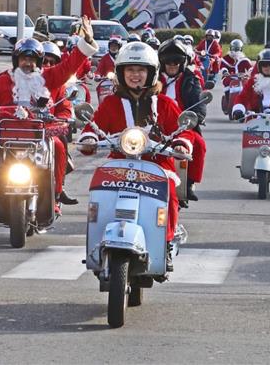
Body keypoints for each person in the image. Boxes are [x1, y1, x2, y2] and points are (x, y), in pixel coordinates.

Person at [77, 42, 196, 271]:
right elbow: (94, 127)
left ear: (151, 73)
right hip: (118, 164)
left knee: (170, 192)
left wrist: (181, 143)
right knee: (99, 195)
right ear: (121, 73)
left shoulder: (164, 103)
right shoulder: (110, 103)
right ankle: (98, 242)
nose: (135, 75)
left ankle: (167, 242)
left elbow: (184, 129)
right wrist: (89, 138)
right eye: (130, 70)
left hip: (157, 164)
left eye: (141, 70)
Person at [0, 19, 99, 205]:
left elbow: (69, 66)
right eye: (24, 59)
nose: (27, 63)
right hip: (9, 134)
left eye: (32, 60)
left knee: (59, 145)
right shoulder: (2, 80)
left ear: (38, 62)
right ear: (16, 60)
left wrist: (85, 42)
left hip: (42, 133)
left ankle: (57, 190)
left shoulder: (50, 76)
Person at [157, 38, 207, 205]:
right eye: (168, 61)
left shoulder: (191, 79)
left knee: (199, 144)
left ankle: (188, 184)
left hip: (183, 125)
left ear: (183, 62)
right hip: (155, 124)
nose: (172, 65)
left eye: (177, 61)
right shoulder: (151, 78)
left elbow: (199, 106)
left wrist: (193, 119)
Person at [231, 48, 270, 119]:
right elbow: (242, 97)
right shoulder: (253, 81)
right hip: (255, 118)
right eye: (264, 64)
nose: (268, 67)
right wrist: (238, 109)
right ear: (259, 66)